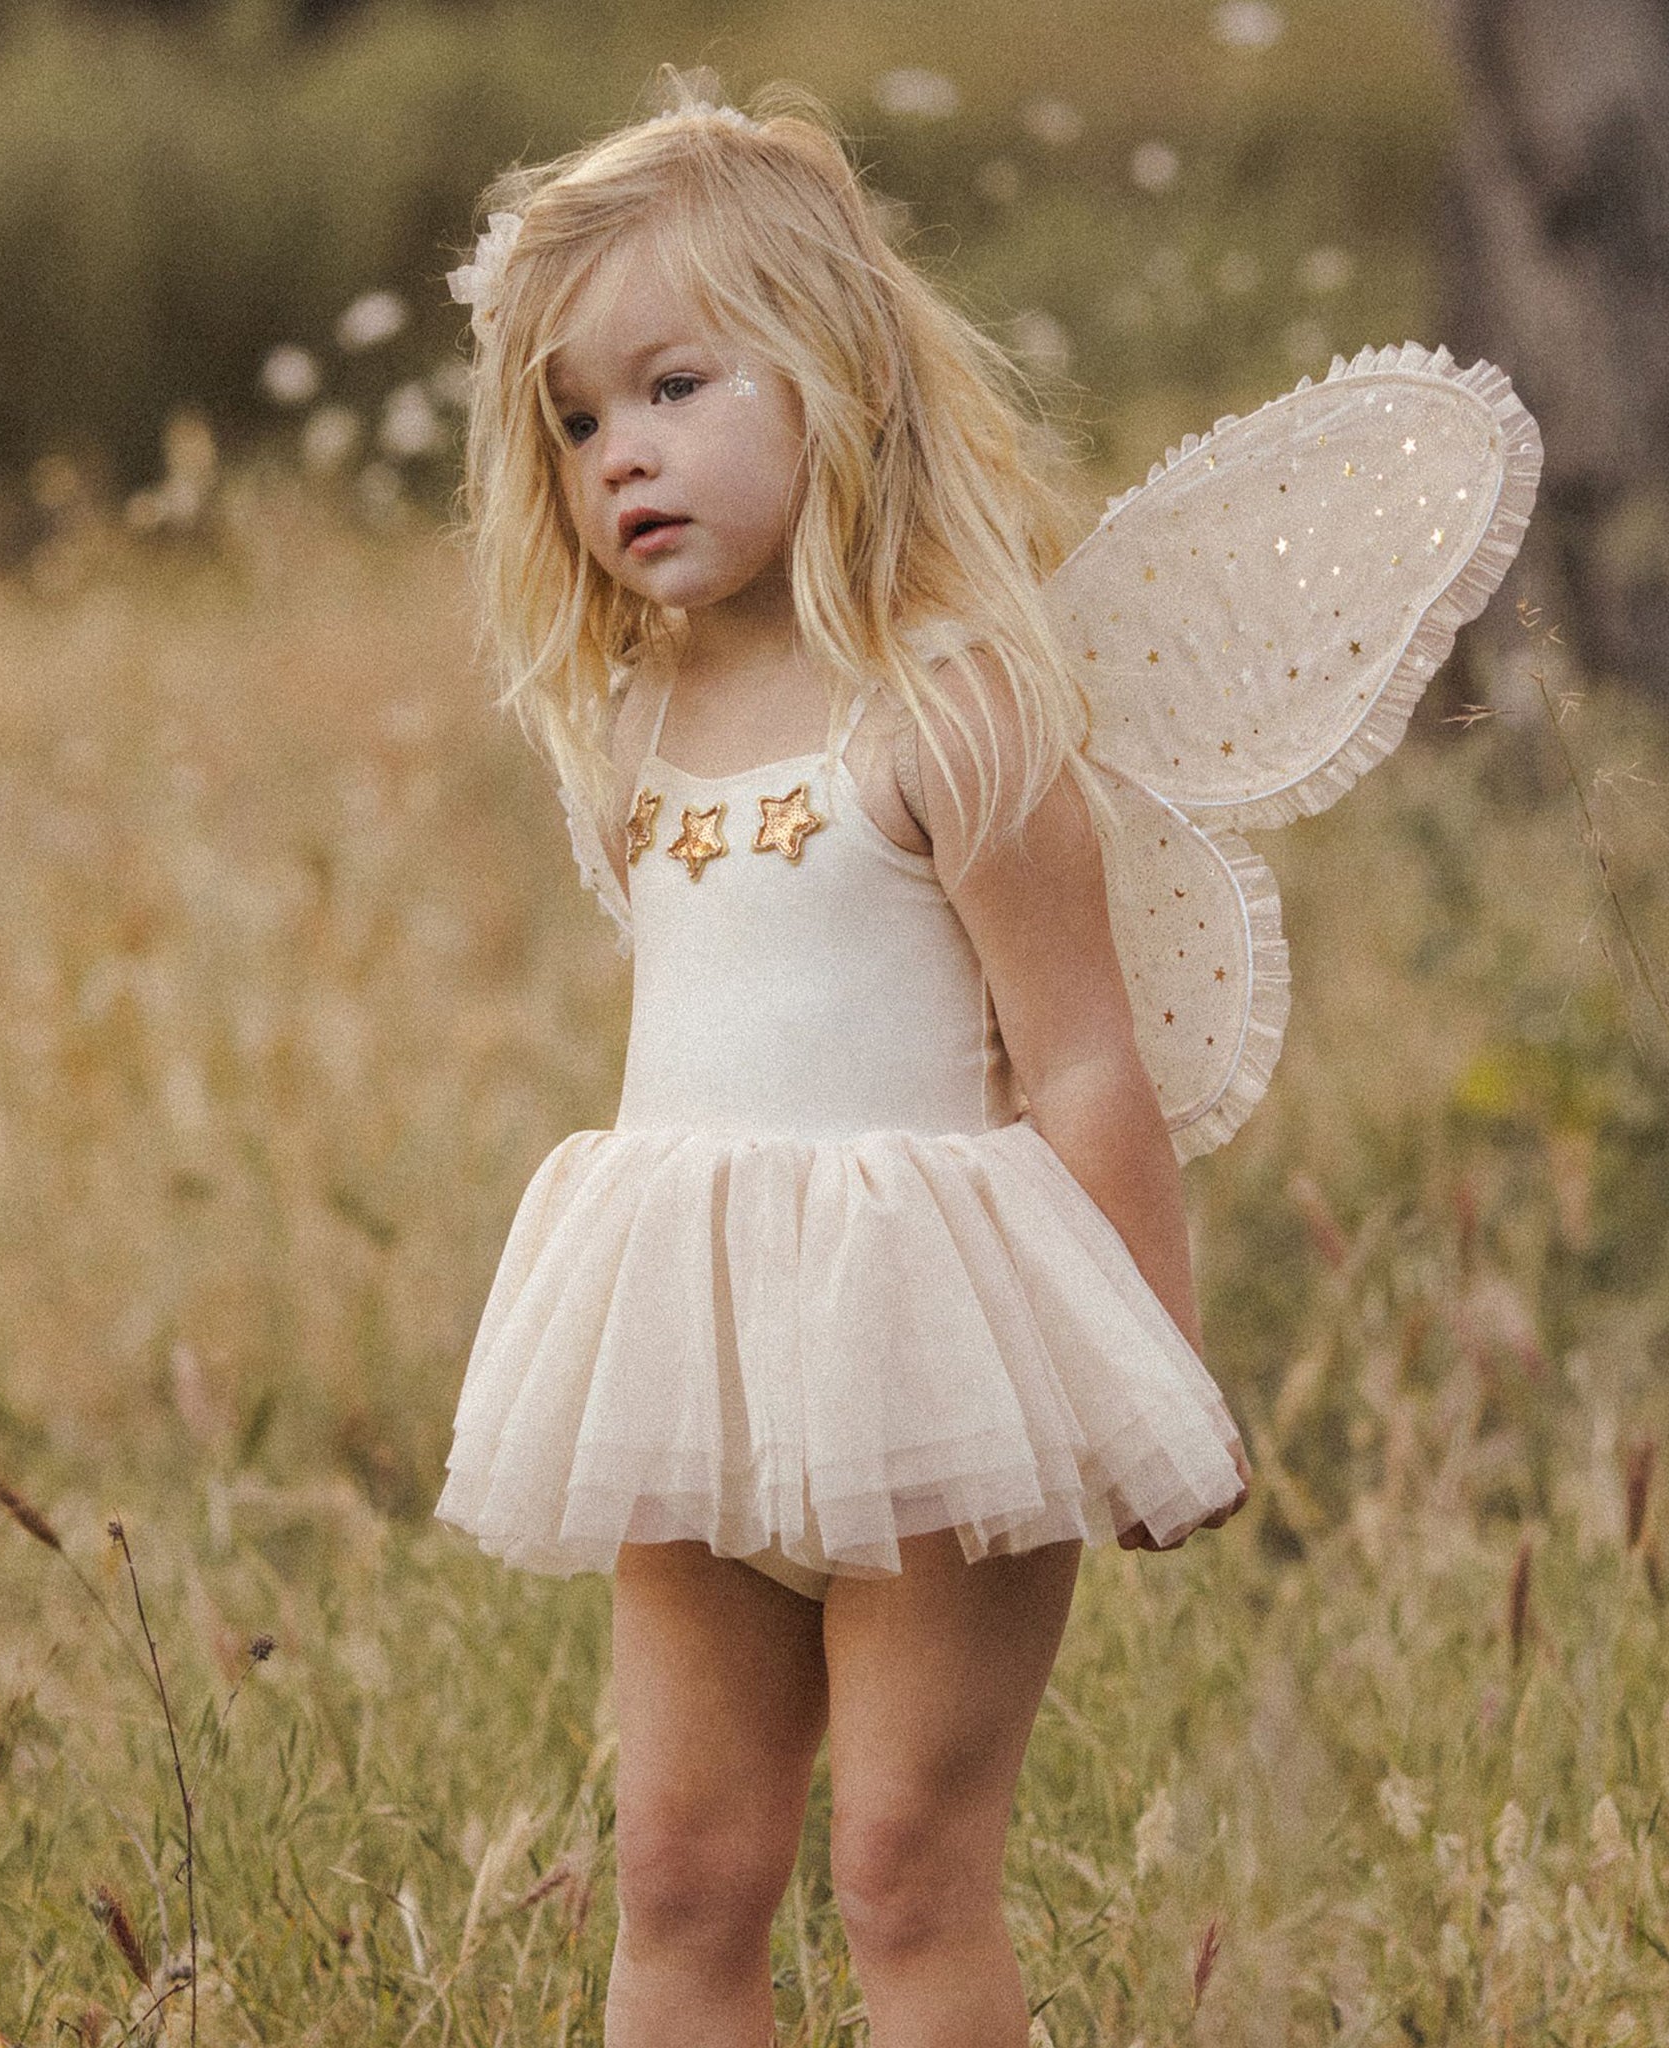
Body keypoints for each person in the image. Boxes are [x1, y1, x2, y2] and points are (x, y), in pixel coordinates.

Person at [435, 71, 1251, 2048]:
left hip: (932, 1352)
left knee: (899, 1859)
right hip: (695, 1346)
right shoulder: (634, 730)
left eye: (675, 385)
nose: (618, 453)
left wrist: (1150, 1390)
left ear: (840, 377)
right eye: (574, 418)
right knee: (680, 1868)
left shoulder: (949, 711)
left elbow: (1080, 1065)